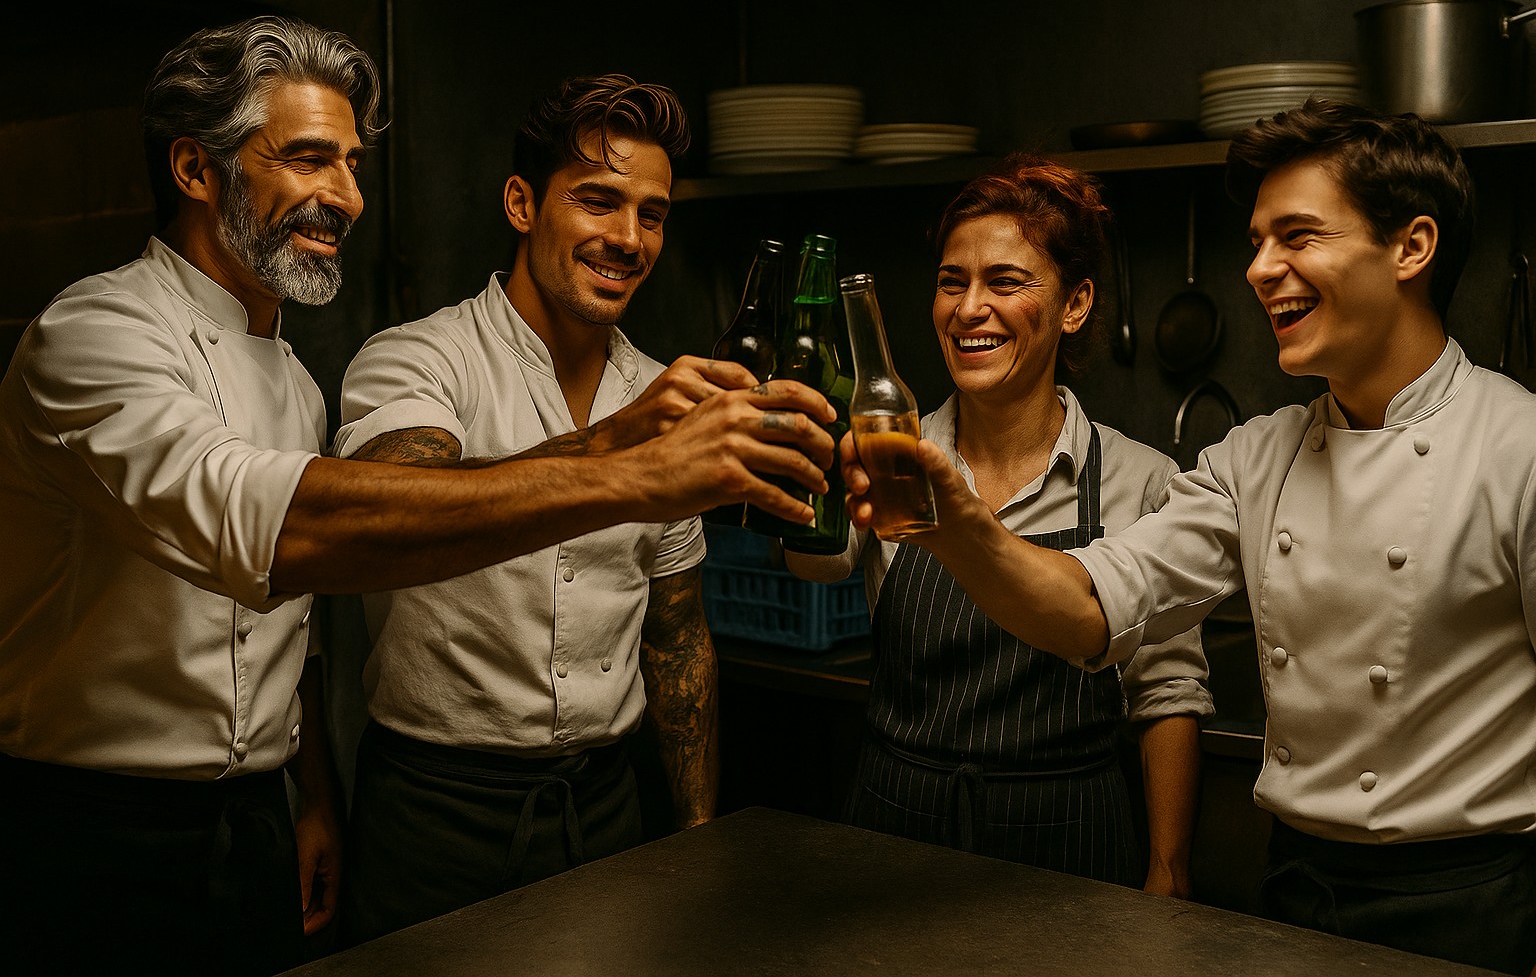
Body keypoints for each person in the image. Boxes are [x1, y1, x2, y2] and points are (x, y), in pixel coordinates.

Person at [0, 18, 833, 977]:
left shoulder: (291, 378)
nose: (346, 196)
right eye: (308, 159)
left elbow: (289, 628)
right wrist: (621, 464)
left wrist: (311, 795)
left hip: (261, 822)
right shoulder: (93, 334)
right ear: (196, 169)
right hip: (90, 830)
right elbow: (280, 523)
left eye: (353, 164)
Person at [841, 100, 1536, 975]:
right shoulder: (1255, 456)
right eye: (1255, 241)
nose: (1259, 268)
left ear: (1412, 247)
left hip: (1471, 906)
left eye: (1296, 236)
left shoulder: (1522, 449)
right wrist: (956, 522)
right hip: (1293, 890)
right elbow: (1092, 609)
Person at [328, 73, 750, 944]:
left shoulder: (657, 389)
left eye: (654, 213)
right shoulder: (417, 360)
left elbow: (676, 636)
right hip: (434, 812)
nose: (628, 239)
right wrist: (617, 446)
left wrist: (700, 834)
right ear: (523, 203)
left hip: (604, 807)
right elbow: (402, 510)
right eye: (598, 201)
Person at [786, 154, 1212, 893]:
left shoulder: (1141, 480)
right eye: (953, 282)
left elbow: (1167, 692)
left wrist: (1168, 871)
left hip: (1068, 835)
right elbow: (815, 564)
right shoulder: (893, 453)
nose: (968, 308)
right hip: (895, 824)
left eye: (1005, 282)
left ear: (1074, 305)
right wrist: (798, 472)